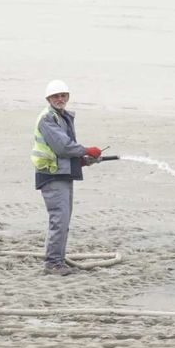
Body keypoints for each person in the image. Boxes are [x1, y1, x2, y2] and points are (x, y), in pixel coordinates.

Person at [31, 80, 103, 276]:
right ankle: (53, 263)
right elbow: (63, 146)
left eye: (63, 95)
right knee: (59, 220)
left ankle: (58, 260)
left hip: (61, 173)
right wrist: (87, 150)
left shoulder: (62, 117)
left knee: (63, 220)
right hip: (52, 175)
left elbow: (64, 151)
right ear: (49, 99)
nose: (60, 99)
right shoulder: (48, 118)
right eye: (56, 96)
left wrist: (82, 160)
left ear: (68, 97)